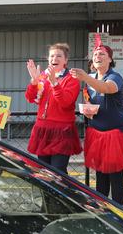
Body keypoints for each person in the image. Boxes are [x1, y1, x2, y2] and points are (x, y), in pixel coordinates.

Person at [70, 44, 123, 205]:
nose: (97, 57)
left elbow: (107, 88)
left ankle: (119, 213)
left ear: (110, 59)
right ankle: (103, 211)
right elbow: (91, 100)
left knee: (115, 176)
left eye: (102, 54)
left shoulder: (115, 77)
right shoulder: (91, 78)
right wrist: (88, 111)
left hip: (115, 134)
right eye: (95, 55)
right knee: (100, 177)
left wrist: (86, 78)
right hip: (97, 133)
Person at [24, 43, 82, 173]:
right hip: (42, 129)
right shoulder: (42, 76)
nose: (54, 58)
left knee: (58, 171)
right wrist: (34, 81)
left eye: (59, 56)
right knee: (43, 171)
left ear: (65, 60)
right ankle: (48, 194)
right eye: (52, 56)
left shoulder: (71, 79)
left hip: (61, 130)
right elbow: (30, 98)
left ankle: (62, 193)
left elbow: (65, 102)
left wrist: (54, 83)